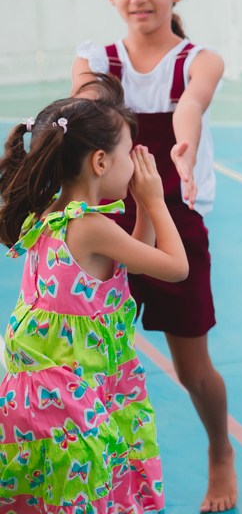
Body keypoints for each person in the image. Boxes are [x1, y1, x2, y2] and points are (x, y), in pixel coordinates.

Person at [70, 0, 236, 513]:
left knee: (193, 369)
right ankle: (96, 470)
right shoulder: (96, 60)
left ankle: (221, 450)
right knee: (91, 362)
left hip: (174, 225)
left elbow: (190, 104)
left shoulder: (199, 59)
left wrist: (183, 150)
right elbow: (89, 110)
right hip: (105, 227)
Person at [0, 74, 189, 512]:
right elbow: (175, 267)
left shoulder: (53, 211)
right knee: (81, 494)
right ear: (101, 163)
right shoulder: (92, 227)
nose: (134, 163)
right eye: (128, 154)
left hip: (41, 384)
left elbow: (133, 257)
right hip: (69, 391)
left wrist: (140, 205)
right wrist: (156, 201)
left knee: (46, 491)